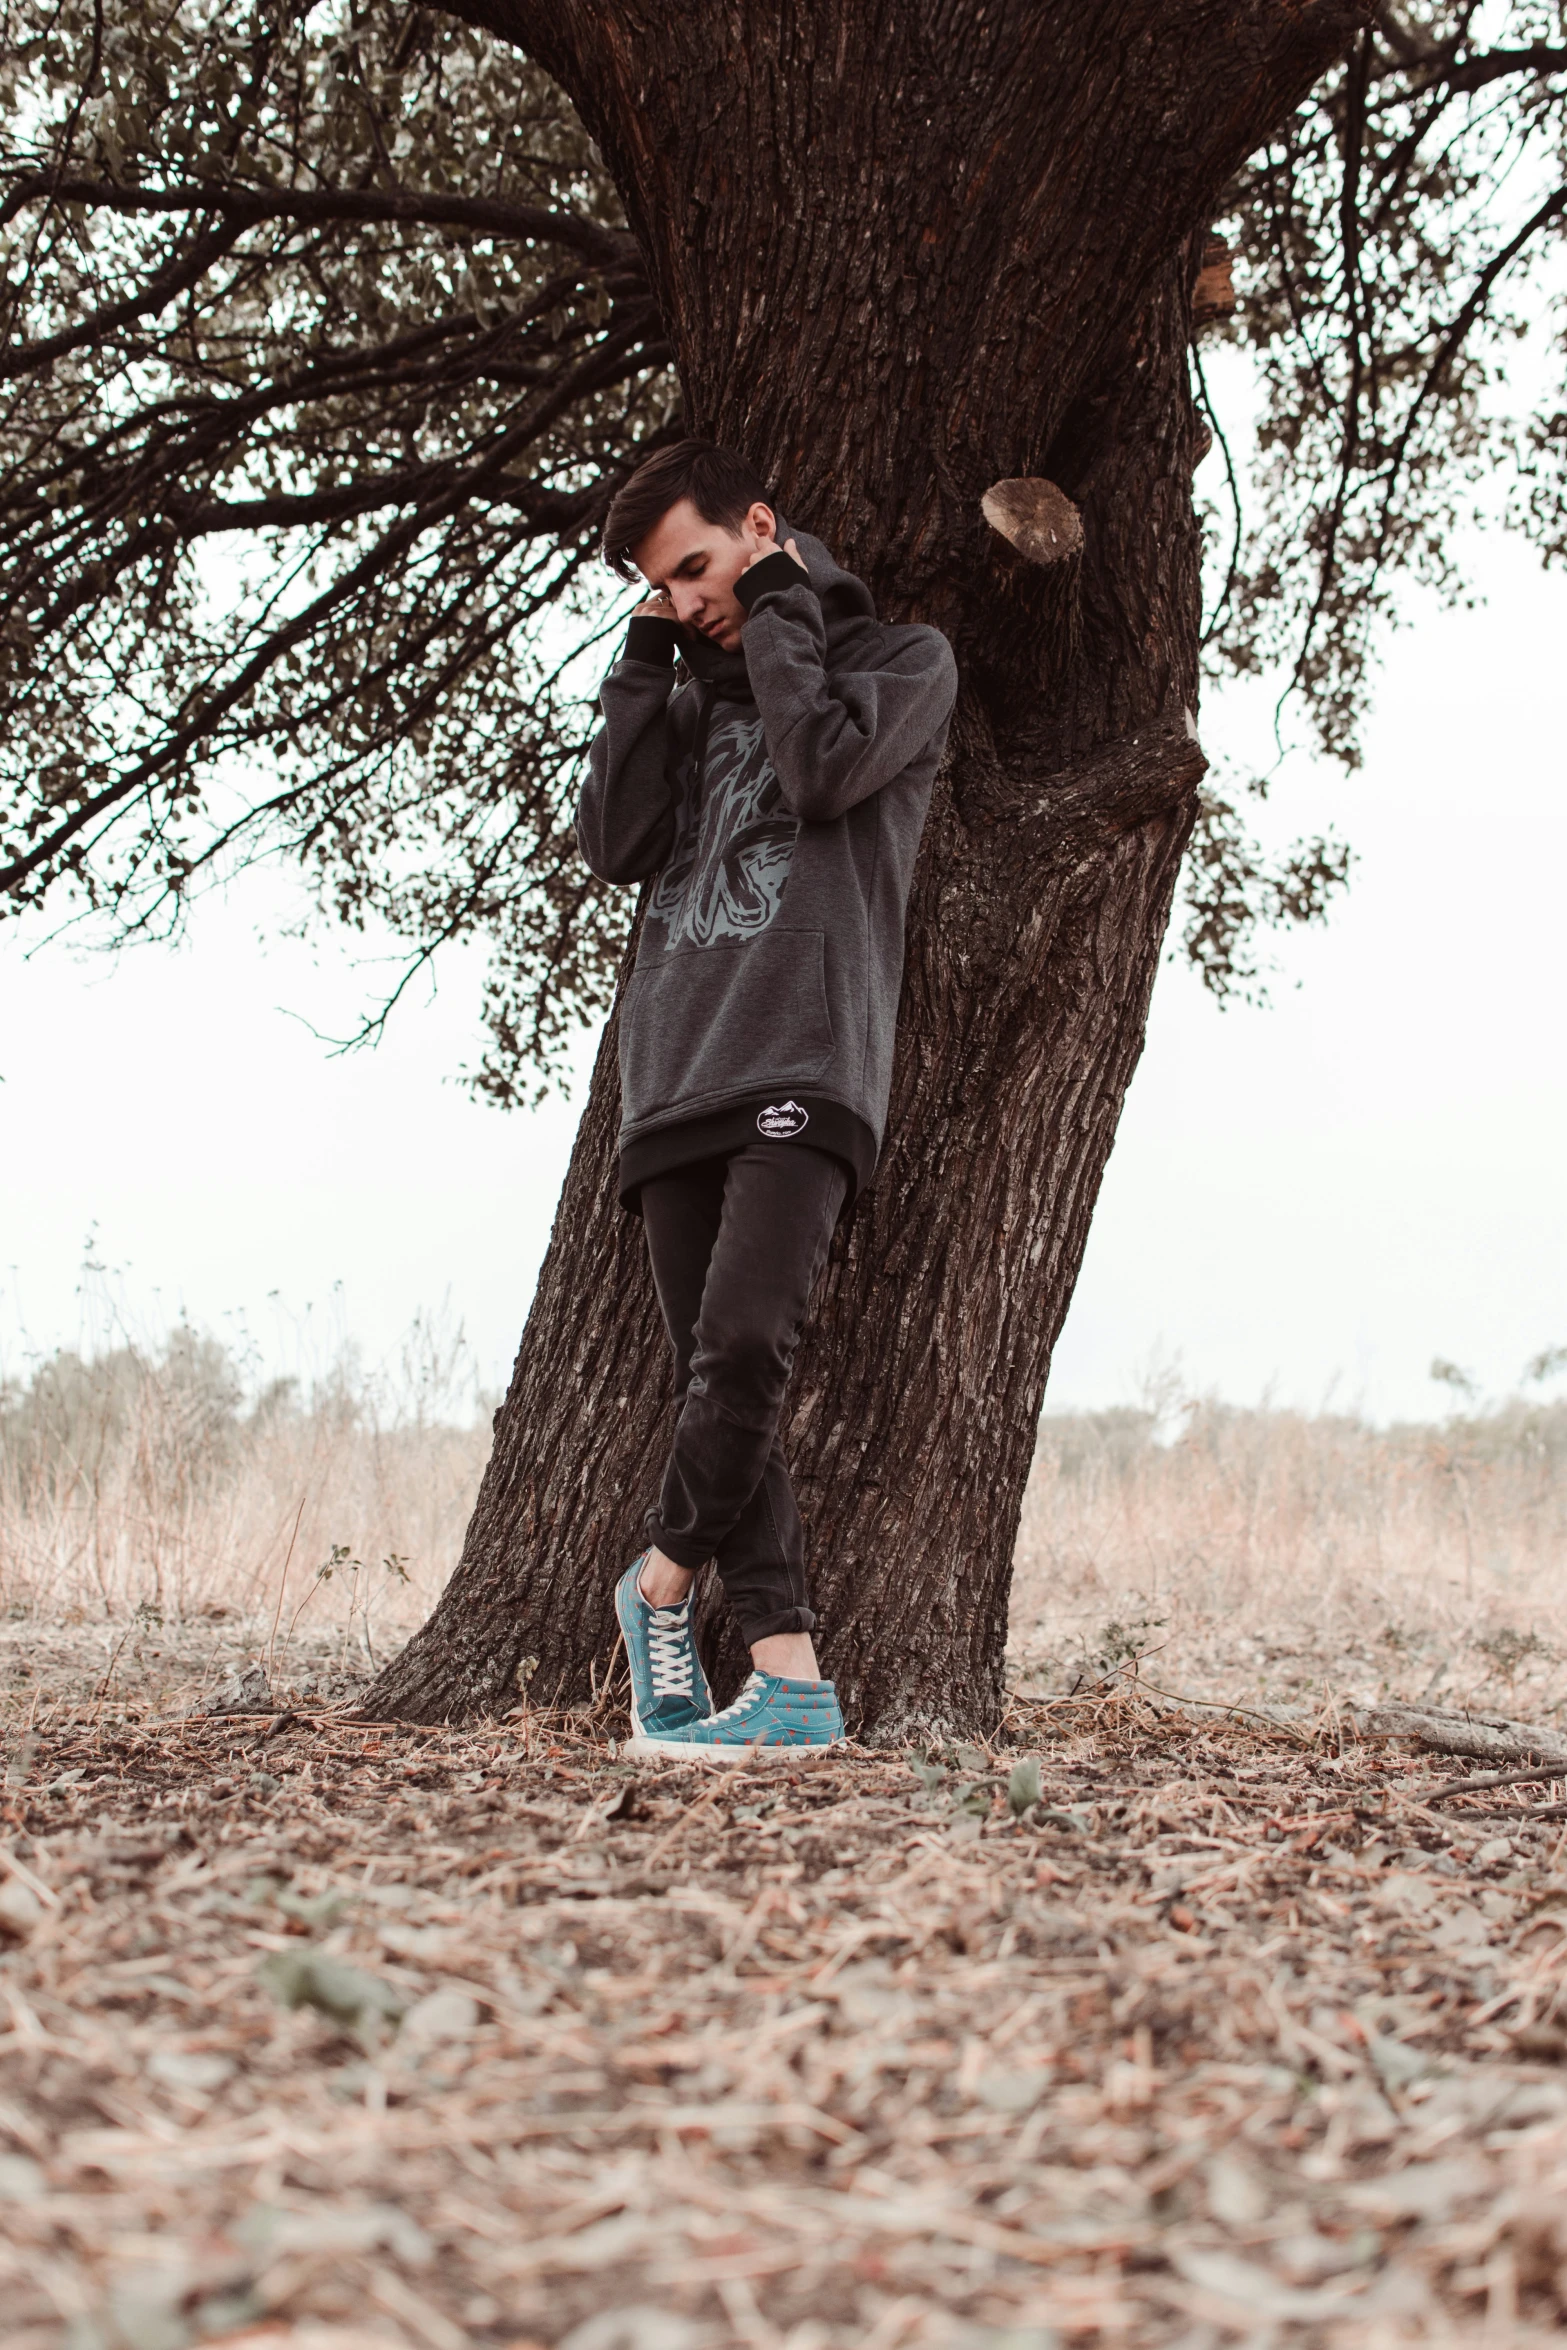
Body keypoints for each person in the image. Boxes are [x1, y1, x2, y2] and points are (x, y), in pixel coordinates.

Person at [576, 440, 957, 1756]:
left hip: (804, 1059)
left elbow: (814, 774)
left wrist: (788, 611)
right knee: (719, 1395)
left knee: (744, 1347)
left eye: (694, 567)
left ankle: (661, 1586)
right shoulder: (680, 690)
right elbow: (616, 844)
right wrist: (640, 673)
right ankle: (789, 1679)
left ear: (757, 526)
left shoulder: (900, 666)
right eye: (657, 589)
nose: (683, 602)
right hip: (672, 1071)